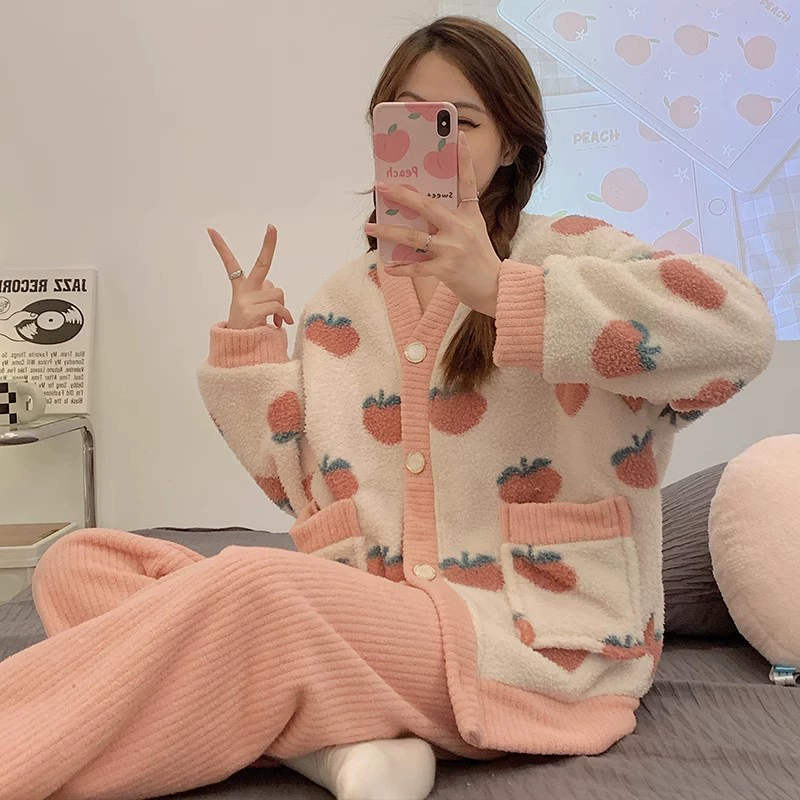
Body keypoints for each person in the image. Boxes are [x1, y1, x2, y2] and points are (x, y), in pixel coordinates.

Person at [0, 15, 776, 800]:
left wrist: (502, 291)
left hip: (530, 643)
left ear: (512, 144)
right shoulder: (344, 301)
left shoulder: (571, 254)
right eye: (404, 119)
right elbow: (302, 489)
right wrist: (248, 349)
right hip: (378, 620)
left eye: (459, 122)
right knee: (80, 565)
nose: (433, 142)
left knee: (257, 591)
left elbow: (738, 329)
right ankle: (338, 746)